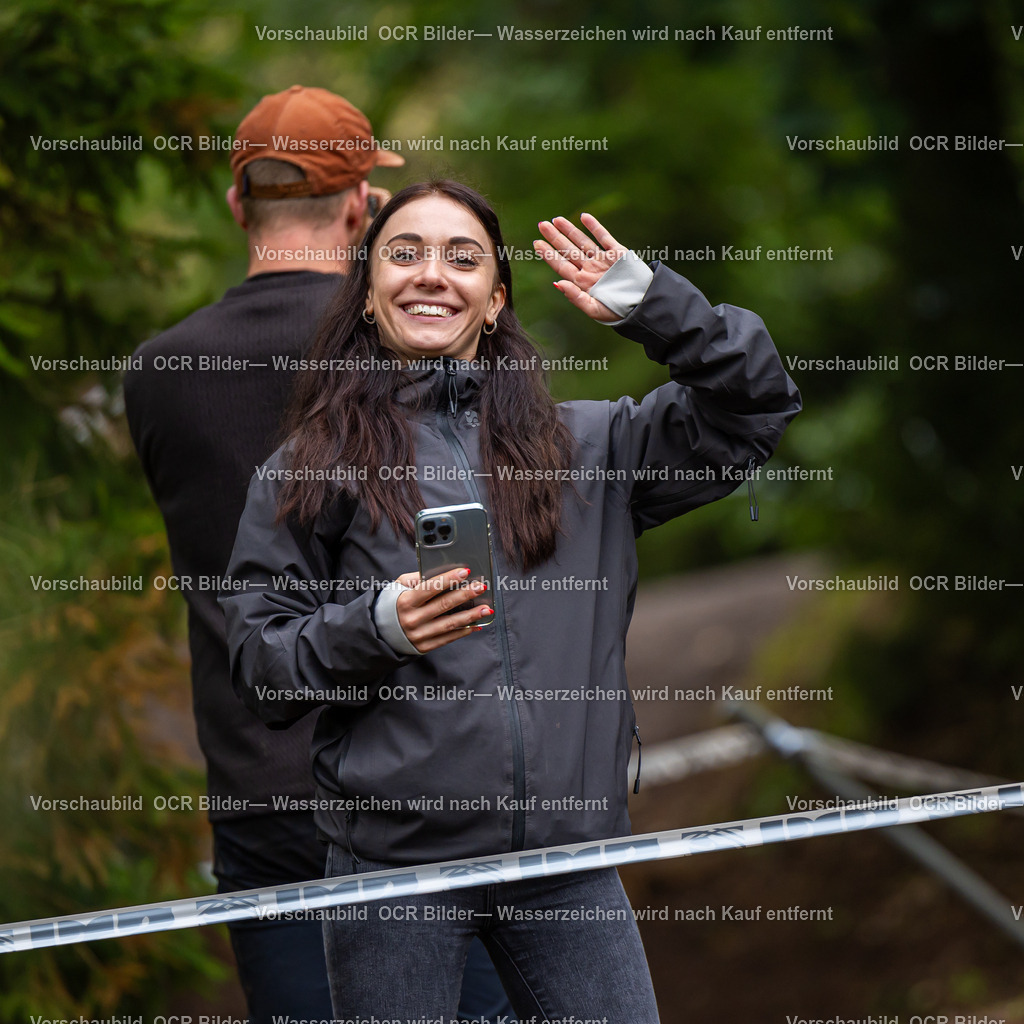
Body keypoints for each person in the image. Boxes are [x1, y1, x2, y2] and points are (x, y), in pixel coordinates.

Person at [221, 179, 802, 1020]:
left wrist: (654, 304)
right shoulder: (309, 468)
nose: (432, 273)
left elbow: (755, 405)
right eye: (405, 253)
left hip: (566, 871)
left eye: (463, 258)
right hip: (395, 876)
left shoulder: (591, 448)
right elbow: (258, 665)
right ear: (368, 294)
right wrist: (376, 627)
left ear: (494, 301)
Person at [124, 92, 513, 1023]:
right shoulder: (420, 341)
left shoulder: (159, 372)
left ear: (236, 208)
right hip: (427, 788)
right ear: (361, 210)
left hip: (261, 798)